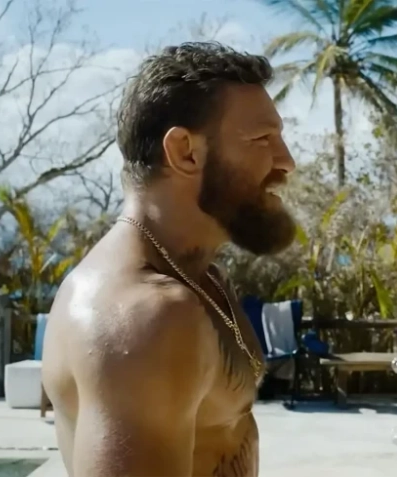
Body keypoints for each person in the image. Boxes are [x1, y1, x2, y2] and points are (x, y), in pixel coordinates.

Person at [41, 42, 296, 477]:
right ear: (185, 151)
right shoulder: (144, 317)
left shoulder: (203, 279)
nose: (286, 162)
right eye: (262, 140)